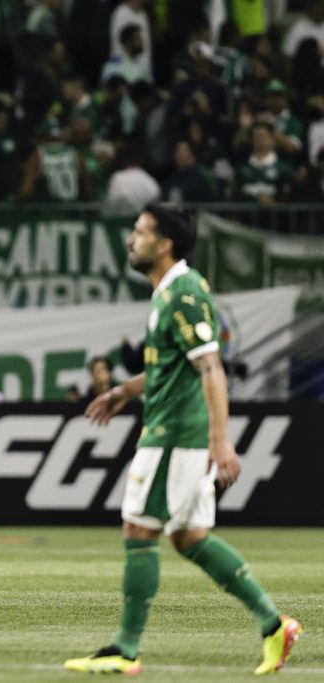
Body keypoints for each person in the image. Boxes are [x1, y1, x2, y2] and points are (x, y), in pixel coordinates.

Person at [65, 204, 301, 675]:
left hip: (175, 434)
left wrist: (221, 441)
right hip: (175, 429)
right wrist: (124, 391)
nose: (132, 240)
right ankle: (274, 625)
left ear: (164, 243)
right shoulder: (168, 292)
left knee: (139, 528)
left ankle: (124, 650)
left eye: (140, 232)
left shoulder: (185, 292)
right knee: (189, 536)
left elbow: (211, 367)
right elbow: (166, 369)